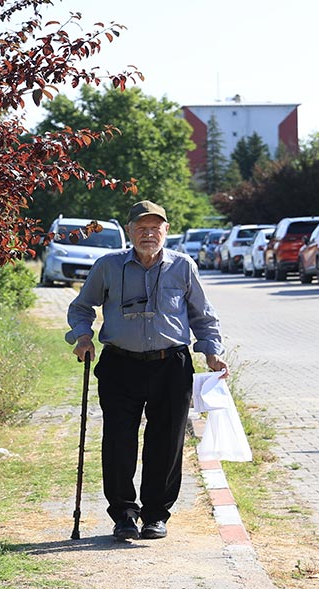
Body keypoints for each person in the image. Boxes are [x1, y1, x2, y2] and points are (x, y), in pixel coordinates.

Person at [67, 200, 228, 541]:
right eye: (141, 228)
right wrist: (83, 337)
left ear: (166, 231)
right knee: (118, 441)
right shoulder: (108, 266)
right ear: (129, 231)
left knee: (166, 443)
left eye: (155, 228)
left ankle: (156, 515)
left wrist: (212, 352)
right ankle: (124, 514)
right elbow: (82, 307)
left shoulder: (182, 267)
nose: (149, 234)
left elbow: (203, 315)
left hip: (170, 364)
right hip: (120, 364)